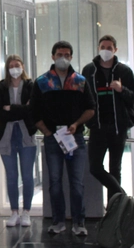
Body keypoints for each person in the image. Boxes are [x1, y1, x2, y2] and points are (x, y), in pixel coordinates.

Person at [31, 40, 95, 236]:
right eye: (59, 54)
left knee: (77, 183)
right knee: (55, 183)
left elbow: (91, 109)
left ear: (71, 57)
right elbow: (33, 111)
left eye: (67, 55)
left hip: (75, 139)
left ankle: (79, 222)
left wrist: (76, 124)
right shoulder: (42, 82)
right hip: (52, 140)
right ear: (52, 56)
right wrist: (47, 131)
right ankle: (58, 221)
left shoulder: (80, 81)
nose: (63, 58)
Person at [81, 35, 134, 203]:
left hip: (118, 127)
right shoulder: (89, 71)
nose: (106, 50)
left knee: (115, 168)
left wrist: (122, 90)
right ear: (98, 48)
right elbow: (82, 97)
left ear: (115, 50)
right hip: (97, 127)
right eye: (103, 47)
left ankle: (114, 207)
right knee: (94, 167)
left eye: (109, 48)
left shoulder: (124, 71)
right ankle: (122, 195)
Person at [0, 54, 38, 227]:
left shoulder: (31, 86)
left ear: (23, 66)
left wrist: (11, 108)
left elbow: (32, 109)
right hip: (7, 135)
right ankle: (14, 212)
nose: (14, 68)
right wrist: (21, 109)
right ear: (7, 69)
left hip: (27, 134)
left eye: (17, 65)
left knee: (27, 176)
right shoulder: (1, 87)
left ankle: (26, 212)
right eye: (11, 65)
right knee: (11, 176)